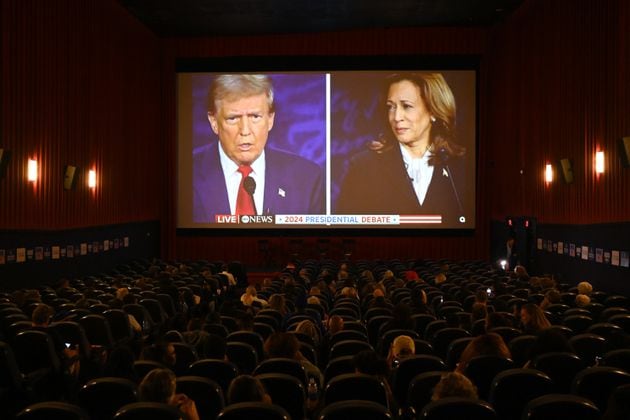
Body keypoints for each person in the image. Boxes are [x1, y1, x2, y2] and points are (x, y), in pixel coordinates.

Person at [335, 72, 467, 223]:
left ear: (433, 111)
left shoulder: (460, 167)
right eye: (391, 107)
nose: (396, 117)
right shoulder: (363, 167)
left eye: (407, 106)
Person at [193, 74, 324, 221]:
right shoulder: (186, 172)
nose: (245, 131)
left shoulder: (306, 177)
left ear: (270, 119)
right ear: (214, 122)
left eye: (255, 117)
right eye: (233, 118)